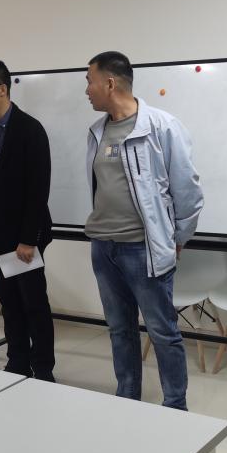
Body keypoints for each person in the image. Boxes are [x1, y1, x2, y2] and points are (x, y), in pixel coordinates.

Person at [84, 51, 203, 410]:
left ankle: (175, 405)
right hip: (104, 247)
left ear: (110, 83)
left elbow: (188, 191)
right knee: (119, 329)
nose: (86, 90)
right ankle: (127, 399)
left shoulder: (161, 126)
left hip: (143, 249)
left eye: (90, 82)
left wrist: (176, 238)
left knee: (162, 331)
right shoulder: (97, 131)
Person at [0, 60, 55, 380]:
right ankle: (17, 361)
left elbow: (38, 189)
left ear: (2, 89)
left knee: (33, 303)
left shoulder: (30, 129)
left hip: (24, 234)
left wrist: (28, 239)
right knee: (9, 301)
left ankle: (43, 368)